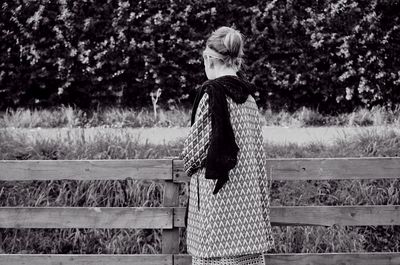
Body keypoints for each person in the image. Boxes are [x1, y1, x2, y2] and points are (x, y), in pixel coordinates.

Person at [181, 26, 275, 265]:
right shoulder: (250, 99)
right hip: (248, 211)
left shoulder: (212, 94)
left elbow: (192, 155)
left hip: (217, 210)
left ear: (210, 60)